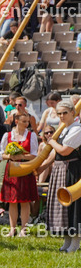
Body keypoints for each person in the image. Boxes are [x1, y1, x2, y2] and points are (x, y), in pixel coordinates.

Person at [0, 109, 40, 236]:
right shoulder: (8, 135)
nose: (26, 124)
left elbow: (34, 155)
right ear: (16, 121)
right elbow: (1, 154)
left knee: (25, 200)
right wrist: (11, 156)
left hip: (25, 168)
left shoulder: (31, 136)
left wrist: (21, 156)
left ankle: (24, 228)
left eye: (28, 121)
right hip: (11, 168)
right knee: (12, 200)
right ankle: (12, 228)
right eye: (24, 121)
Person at [46, 101, 81, 252]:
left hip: (72, 169)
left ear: (73, 112)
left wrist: (51, 141)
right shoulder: (65, 130)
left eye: (65, 113)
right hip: (61, 169)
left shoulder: (77, 129)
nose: (61, 116)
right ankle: (66, 241)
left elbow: (65, 150)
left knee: (73, 207)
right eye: (59, 113)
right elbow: (57, 152)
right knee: (63, 208)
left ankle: (75, 243)